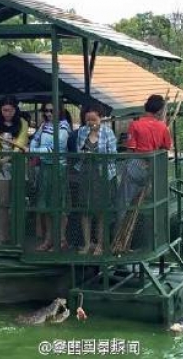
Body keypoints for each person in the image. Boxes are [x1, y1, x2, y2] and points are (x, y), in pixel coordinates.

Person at [117, 94, 172, 221]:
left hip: (136, 165)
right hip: (153, 167)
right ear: (159, 111)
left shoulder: (135, 125)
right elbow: (167, 146)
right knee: (156, 199)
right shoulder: (163, 127)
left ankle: (118, 230)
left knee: (123, 202)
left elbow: (130, 149)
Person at [75, 104, 117, 255]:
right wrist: (89, 140)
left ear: (100, 118)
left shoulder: (108, 132)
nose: (91, 122)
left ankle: (100, 245)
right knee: (85, 210)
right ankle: (87, 244)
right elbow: (79, 152)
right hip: (86, 173)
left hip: (103, 174)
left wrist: (98, 156)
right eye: (88, 120)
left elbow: (113, 154)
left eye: (94, 119)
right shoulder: (82, 131)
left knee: (101, 211)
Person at [29, 102, 71, 252]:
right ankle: (48, 240)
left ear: (59, 111)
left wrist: (31, 150)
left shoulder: (64, 127)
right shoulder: (44, 125)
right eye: (46, 110)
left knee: (59, 205)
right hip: (45, 168)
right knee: (45, 205)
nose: (48, 113)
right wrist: (32, 146)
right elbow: (36, 138)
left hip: (59, 168)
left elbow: (55, 148)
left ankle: (61, 240)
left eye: (52, 110)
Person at [0, 95, 29, 244]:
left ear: (15, 110)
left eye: (10, 110)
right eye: (4, 110)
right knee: (3, 202)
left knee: (18, 201)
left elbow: (22, 142)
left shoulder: (23, 123)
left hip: (17, 165)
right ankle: (2, 236)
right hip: (0, 167)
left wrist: (8, 158)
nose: (7, 113)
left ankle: (18, 236)